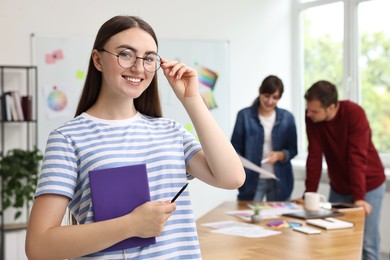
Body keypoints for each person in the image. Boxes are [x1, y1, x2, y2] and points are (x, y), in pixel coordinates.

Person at [25, 15, 245, 259]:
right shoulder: (67, 139)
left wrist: (191, 99)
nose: (139, 67)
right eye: (126, 54)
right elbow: (39, 247)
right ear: (98, 59)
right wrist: (131, 225)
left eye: (149, 58)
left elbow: (232, 177)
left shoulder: (170, 131)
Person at [304, 80, 386, 260]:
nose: (309, 114)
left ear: (332, 107)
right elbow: (314, 157)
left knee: (367, 243)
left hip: (369, 184)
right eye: (308, 109)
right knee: (336, 238)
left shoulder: (354, 114)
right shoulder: (313, 118)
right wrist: (308, 195)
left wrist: (359, 197)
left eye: (314, 111)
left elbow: (356, 158)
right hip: (339, 187)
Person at [231, 75, 297, 201]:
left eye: (275, 97)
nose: (270, 101)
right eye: (267, 96)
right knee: (249, 217)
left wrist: (279, 155)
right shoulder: (244, 116)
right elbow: (235, 149)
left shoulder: (287, 118)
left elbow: (293, 149)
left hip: (280, 180)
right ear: (260, 92)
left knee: (279, 219)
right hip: (251, 180)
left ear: (279, 98)